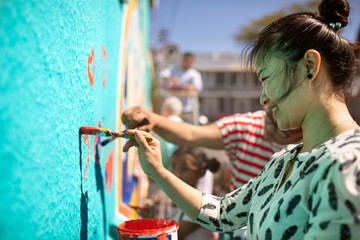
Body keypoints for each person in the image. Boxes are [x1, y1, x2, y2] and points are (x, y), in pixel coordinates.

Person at [124, 0, 360, 238]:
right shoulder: (283, 160)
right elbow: (222, 213)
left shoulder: (349, 163)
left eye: (266, 79)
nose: (263, 98)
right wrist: (157, 170)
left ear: (309, 66)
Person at [168, 147, 220, 240]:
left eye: (184, 169)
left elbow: (175, 236)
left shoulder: (200, 204)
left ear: (201, 172)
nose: (177, 173)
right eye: (173, 167)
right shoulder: (177, 197)